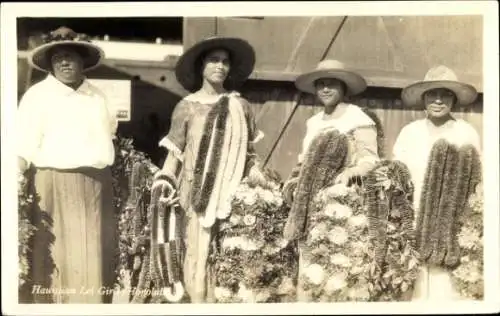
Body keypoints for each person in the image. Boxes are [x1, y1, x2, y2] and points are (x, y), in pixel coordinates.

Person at [153, 36, 266, 303]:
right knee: (196, 252)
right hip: (195, 194)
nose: (220, 66)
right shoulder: (187, 106)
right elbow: (175, 155)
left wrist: (257, 178)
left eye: (225, 62)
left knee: (228, 254)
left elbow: (249, 155)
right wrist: (164, 181)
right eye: (214, 60)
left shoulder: (241, 106)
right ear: (201, 66)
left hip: (232, 195)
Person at [17, 26, 118, 303]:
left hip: (95, 187)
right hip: (51, 185)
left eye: (71, 56)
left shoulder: (98, 97)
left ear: (83, 61)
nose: (64, 62)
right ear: (50, 62)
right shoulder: (37, 96)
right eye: (58, 56)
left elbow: (109, 134)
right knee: (55, 256)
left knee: (92, 254)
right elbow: (23, 144)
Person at [282, 60, 381, 301]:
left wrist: (350, 173)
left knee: (338, 264)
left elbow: (371, 161)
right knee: (311, 265)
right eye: (321, 84)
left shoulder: (357, 118)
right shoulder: (313, 122)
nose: (326, 89)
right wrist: (293, 182)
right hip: (310, 203)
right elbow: (304, 162)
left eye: (332, 84)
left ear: (344, 87)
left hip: (343, 201)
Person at [392, 65, 482, 301]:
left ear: (454, 99)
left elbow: (475, 182)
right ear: (424, 98)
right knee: (415, 284)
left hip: (450, 220)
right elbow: (396, 175)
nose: (439, 100)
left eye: (446, 94)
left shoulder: (466, 132)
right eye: (432, 94)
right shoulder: (409, 132)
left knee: (446, 286)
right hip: (413, 217)